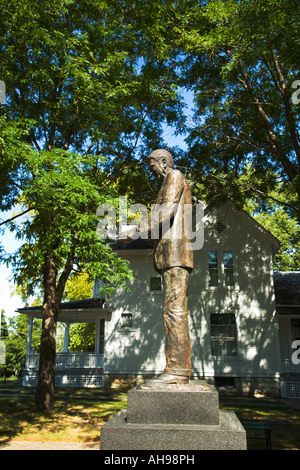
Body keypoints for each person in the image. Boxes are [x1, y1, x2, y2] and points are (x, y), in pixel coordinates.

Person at [121, 149, 194, 385]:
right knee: (171, 310)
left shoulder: (174, 177)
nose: (151, 171)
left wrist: (133, 232)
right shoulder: (167, 183)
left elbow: (166, 214)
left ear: (163, 162)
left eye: (152, 166)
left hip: (176, 255)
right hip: (170, 256)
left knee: (174, 311)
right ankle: (177, 368)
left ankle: (178, 370)